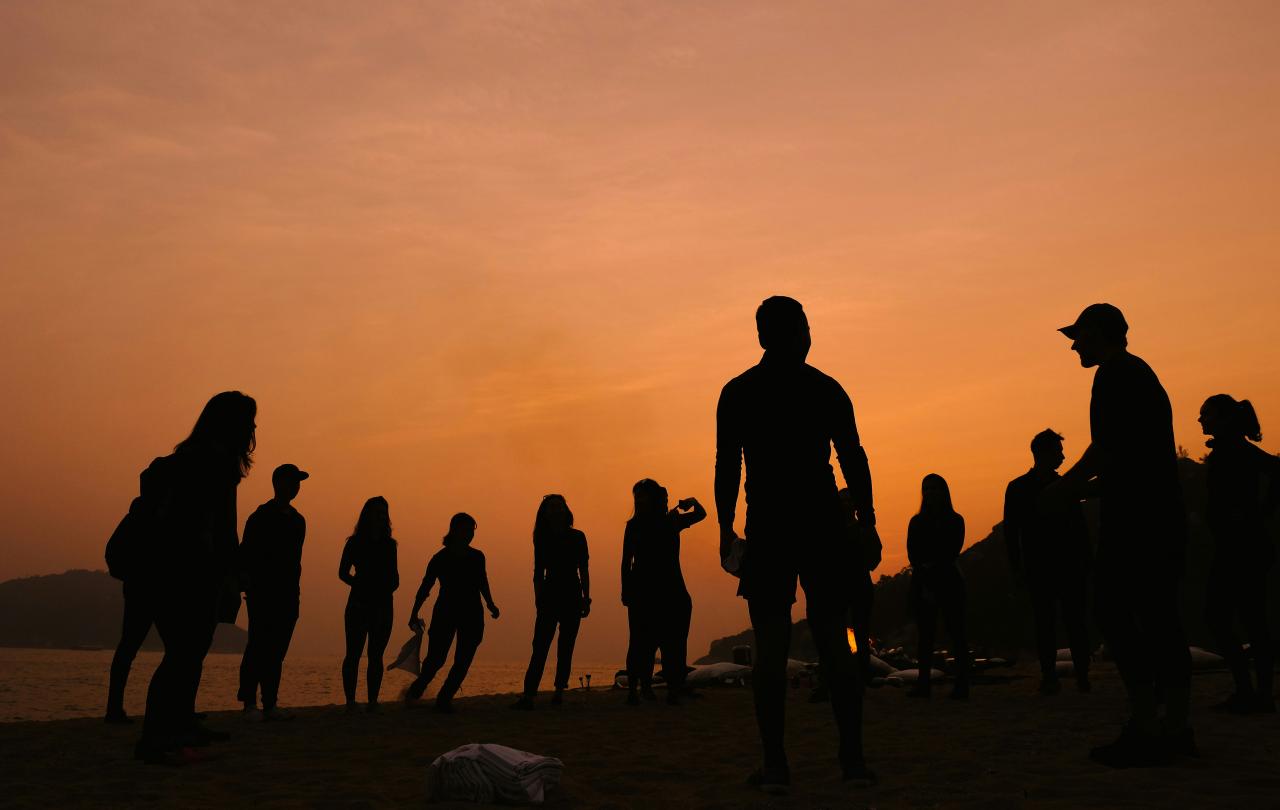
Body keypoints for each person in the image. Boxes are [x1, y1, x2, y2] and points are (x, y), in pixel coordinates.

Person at [715, 295, 878, 792]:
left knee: (771, 648)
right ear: (797, 333)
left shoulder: (739, 391)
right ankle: (850, 762)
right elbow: (853, 458)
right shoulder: (823, 388)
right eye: (804, 328)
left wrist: (725, 530)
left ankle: (776, 766)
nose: (807, 337)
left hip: (771, 525)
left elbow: (727, 467)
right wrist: (867, 522)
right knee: (831, 639)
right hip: (820, 523)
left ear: (762, 336)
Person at [1047, 303, 1193, 767]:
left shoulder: (1114, 375)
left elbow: (1107, 449)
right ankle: (1172, 727)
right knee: (1159, 618)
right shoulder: (1138, 374)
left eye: (1079, 335)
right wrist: (1085, 491)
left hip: (1137, 521)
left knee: (1115, 611)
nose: (1073, 344)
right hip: (1157, 514)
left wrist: (1065, 487)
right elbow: (1134, 457)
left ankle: (1150, 724)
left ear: (1100, 334)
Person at [135, 391, 257, 765]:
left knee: (185, 654)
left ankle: (176, 728)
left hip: (166, 570)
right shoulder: (217, 464)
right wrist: (232, 578)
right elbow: (224, 529)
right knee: (183, 656)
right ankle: (157, 739)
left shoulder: (187, 458)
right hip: (193, 571)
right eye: (249, 420)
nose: (253, 428)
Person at [1199, 395, 1280, 714]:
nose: (1200, 420)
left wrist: (1262, 512)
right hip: (1237, 546)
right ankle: (1254, 692)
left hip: (1242, 548)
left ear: (1221, 418)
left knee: (1232, 618)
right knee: (1244, 619)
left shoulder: (1234, 451)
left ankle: (1254, 693)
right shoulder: (1230, 451)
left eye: (1205, 414)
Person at [1004, 430, 1092, 695]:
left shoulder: (1063, 484)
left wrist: (1086, 559)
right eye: (1057, 451)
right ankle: (1051, 675)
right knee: (1047, 622)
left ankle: (1081, 675)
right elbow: (1011, 531)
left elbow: (1079, 526)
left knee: (1072, 620)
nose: (1063, 456)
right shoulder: (1019, 488)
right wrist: (1016, 567)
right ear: (1042, 454)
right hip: (1040, 565)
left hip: (1066, 563)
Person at [621, 479, 706, 706]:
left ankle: (672, 689)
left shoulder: (672, 520)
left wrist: (692, 501)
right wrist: (625, 590)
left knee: (673, 643)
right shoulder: (635, 525)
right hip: (644, 591)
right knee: (641, 642)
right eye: (637, 495)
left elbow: (701, 514)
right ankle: (638, 689)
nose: (639, 499)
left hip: (672, 591)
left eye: (643, 494)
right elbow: (625, 561)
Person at [405, 513, 501, 713]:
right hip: (446, 612)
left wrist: (491, 604)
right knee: (436, 659)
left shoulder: (477, 557)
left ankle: (444, 698)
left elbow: (483, 582)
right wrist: (414, 612)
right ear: (454, 530)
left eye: (471, 531)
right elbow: (426, 586)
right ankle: (415, 691)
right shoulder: (440, 558)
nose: (469, 535)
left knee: (463, 659)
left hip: (472, 613)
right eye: (465, 530)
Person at [236, 463, 309, 721]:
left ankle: (270, 703)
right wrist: (247, 584)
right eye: (292, 481)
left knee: (277, 650)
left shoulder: (299, 520)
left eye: (298, 482)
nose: (296, 486)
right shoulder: (260, 517)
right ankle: (249, 702)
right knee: (257, 645)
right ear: (279, 483)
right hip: (263, 593)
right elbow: (245, 554)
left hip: (289, 593)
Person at [512, 495, 590, 710]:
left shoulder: (578, 537)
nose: (556, 510)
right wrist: (538, 598)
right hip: (550, 595)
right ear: (545, 513)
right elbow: (538, 572)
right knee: (540, 646)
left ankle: (558, 691)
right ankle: (529, 694)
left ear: (566, 511)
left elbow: (583, 569)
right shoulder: (542, 538)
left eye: (559, 506)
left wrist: (586, 597)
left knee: (566, 646)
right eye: (552, 507)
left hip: (572, 595)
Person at [906, 474, 971, 700]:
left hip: (949, 581)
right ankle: (923, 684)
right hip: (924, 581)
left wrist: (931, 567)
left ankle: (962, 685)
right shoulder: (916, 522)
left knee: (957, 634)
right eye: (926, 488)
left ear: (944, 491)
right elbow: (912, 554)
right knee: (925, 637)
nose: (930, 492)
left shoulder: (956, 520)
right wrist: (925, 578)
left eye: (935, 488)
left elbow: (952, 551)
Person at [339, 496, 400, 712]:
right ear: (367, 515)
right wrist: (360, 584)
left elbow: (395, 579)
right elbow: (342, 573)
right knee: (353, 654)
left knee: (376, 656)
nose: (380, 516)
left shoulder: (390, 545)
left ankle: (373, 702)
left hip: (383, 605)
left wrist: (384, 588)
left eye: (384, 512)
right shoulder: (354, 543)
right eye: (376, 512)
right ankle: (350, 702)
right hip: (358, 604)